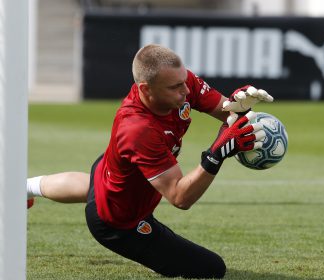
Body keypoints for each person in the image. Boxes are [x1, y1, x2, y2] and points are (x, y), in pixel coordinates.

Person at [27, 44, 273, 279]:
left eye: (184, 81)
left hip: (114, 173)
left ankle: (24, 187)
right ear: (146, 90)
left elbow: (227, 113)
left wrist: (239, 109)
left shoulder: (180, 82)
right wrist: (217, 154)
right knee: (212, 268)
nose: (186, 91)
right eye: (176, 87)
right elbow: (180, 197)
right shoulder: (137, 128)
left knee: (97, 183)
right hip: (119, 220)